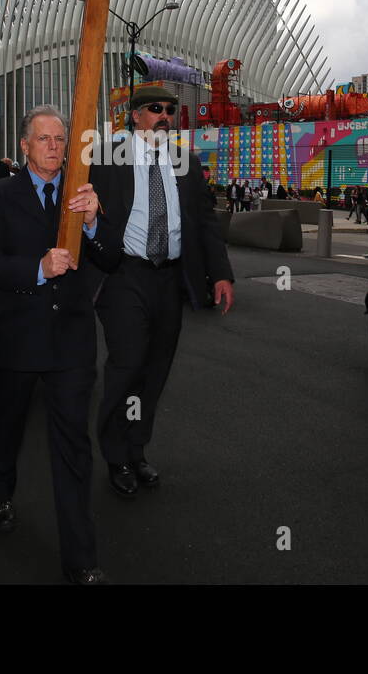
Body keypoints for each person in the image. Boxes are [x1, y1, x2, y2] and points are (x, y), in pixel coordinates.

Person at [0, 104, 122, 584]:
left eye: (61, 140)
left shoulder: (83, 195)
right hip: (17, 337)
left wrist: (95, 223)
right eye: (45, 139)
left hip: (70, 341)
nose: (55, 147)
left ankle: (81, 558)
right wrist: (37, 268)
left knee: (73, 444)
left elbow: (112, 258)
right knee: (6, 425)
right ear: (24, 145)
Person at [89, 86, 234, 500]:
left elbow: (205, 221)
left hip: (168, 279)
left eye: (171, 110)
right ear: (135, 116)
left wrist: (221, 274)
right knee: (128, 363)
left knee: (155, 371)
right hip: (123, 277)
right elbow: (79, 207)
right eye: (155, 109)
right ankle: (115, 454)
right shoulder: (105, 157)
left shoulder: (186, 162)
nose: (165, 115)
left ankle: (136, 450)